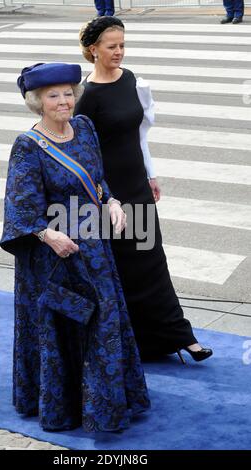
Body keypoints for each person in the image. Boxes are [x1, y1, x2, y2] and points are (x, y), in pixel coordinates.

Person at [0, 62, 150, 432]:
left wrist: (112, 202)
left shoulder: (84, 129)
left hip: (95, 249)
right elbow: (20, 208)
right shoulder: (27, 146)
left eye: (69, 93)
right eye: (54, 96)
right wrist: (48, 235)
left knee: (103, 320)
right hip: (55, 255)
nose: (65, 101)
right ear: (38, 102)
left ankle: (108, 403)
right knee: (66, 325)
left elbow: (98, 182)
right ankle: (64, 405)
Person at [76, 17, 213, 365]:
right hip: (109, 193)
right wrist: (105, 197)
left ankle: (181, 337)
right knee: (124, 266)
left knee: (152, 260)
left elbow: (139, 135)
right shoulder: (86, 96)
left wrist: (151, 175)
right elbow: (84, 152)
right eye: (112, 46)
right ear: (94, 50)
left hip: (136, 183)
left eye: (122, 45)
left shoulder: (132, 80)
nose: (119, 52)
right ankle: (132, 341)